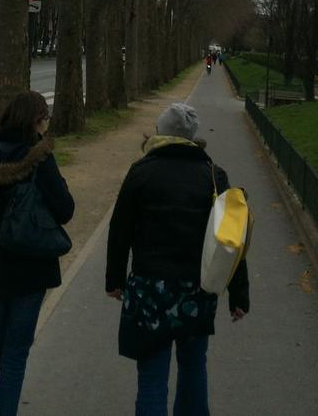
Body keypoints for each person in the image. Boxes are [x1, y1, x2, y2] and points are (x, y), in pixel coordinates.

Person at [106, 101, 249, 416]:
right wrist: (239, 295)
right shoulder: (213, 175)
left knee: (152, 380)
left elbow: (120, 231)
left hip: (149, 290)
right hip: (195, 293)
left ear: (160, 132)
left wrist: (114, 280)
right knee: (194, 370)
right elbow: (232, 237)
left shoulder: (141, 172)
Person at [0, 90, 74, 416]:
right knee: (14, 356)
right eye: (45, 119)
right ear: (36, 121)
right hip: (27, 269)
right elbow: (65, 209)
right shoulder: (36, 157)